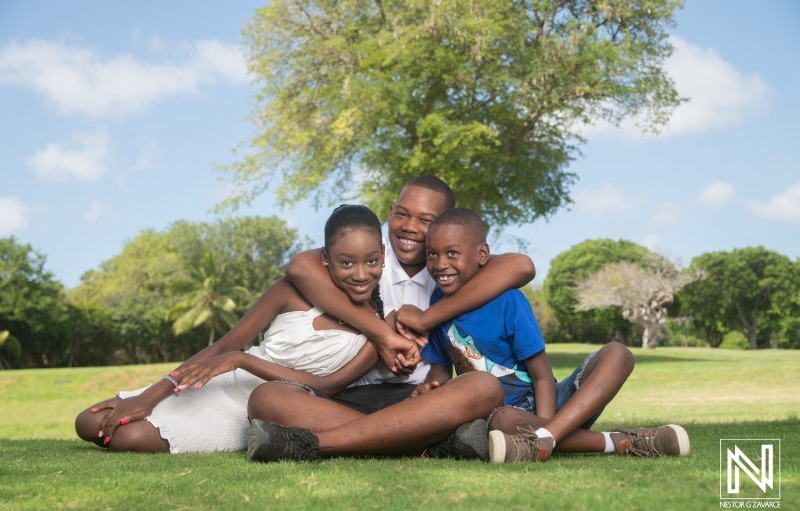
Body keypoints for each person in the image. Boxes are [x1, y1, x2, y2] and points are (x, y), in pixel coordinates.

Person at [74, 205, 395, 453]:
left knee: (126, 438)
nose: (361, 274)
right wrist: (151, 394)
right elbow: (224, 346)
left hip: (260, 408)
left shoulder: (377, 334)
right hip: (220, 382)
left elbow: (325, 388)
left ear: (382, 254)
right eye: (346, 262)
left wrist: (242, 360)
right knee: (87, 422)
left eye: (371, 261)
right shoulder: (292, 291)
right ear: (325, 258)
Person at [406, 208, 690, 463]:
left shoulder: (509, 301)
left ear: (482, 255)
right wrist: (432, 387)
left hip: (553, 404)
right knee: (502, 420)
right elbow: (441, 370)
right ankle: (622, 442)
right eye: (432, 254)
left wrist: (546, 426)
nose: (440, 264)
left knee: (619, 353)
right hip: (503, 416)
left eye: (452, 253)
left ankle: (544, 441)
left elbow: (542, 376)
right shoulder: (437, 305)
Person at [283, 175, 536, 418]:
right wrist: (383, 335)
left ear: (442, 226)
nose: (410, 227)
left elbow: (521, 266)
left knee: (464, 400)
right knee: (276, 400)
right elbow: (299, 267)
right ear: (390, 213)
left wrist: (425, 320)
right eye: (402, 214)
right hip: (353, 389)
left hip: (417, 390)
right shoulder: (368, 253)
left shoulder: (448, 266)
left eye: (426, 221)